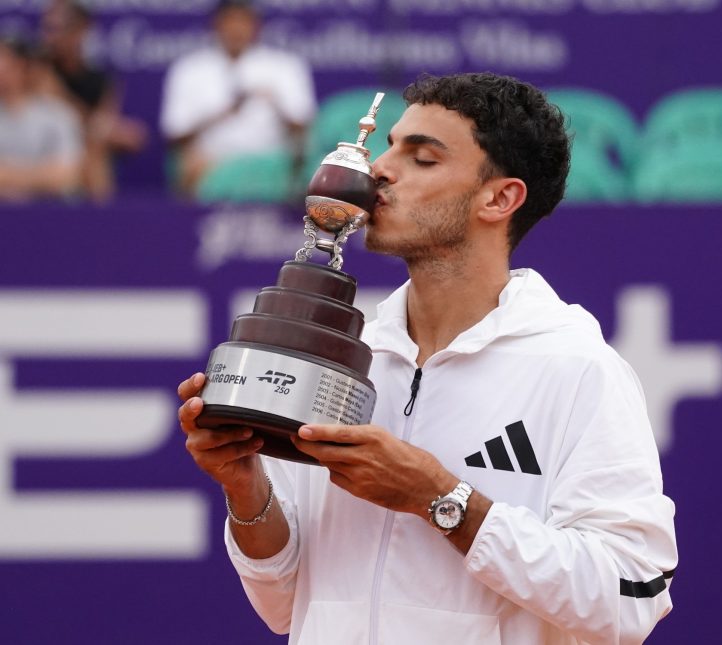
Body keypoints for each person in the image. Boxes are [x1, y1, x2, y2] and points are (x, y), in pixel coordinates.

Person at [178, 72, 678, 644]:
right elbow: (287, 604)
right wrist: (245, 487)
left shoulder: (578, 367)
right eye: (389, 146)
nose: (379, 170)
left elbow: (631, 595)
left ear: (500, 198)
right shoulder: (346, 358)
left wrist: (441, 499)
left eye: (422, 158)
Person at [160, 0, 316, 200]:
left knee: (305, 166)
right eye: (230, 21)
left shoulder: (285, 66)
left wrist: (275, 103)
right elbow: (174, 134)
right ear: (215, 25)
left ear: (256, 26)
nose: (236, 29)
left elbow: (303, 125)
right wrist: (223, 113)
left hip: (272, 163)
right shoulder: (189, 69)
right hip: (212, 161)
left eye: (243, 22)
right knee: (188, 163)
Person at [39, 0, 147, 201]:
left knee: (97, 150)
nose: (51, 38)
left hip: (79, 150)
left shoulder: (99, 80)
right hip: (37, 150)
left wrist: (58, 94)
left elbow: (100, 127)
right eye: (47, 29)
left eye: (59, 29)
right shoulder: (34, 71)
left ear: (82, 30)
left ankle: (101, 223)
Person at [0, 35, 82, 201]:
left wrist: (11, 177)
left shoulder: (58, 114)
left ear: (21, 66)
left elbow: (68, 174)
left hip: (48, 214)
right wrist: (40, 175)